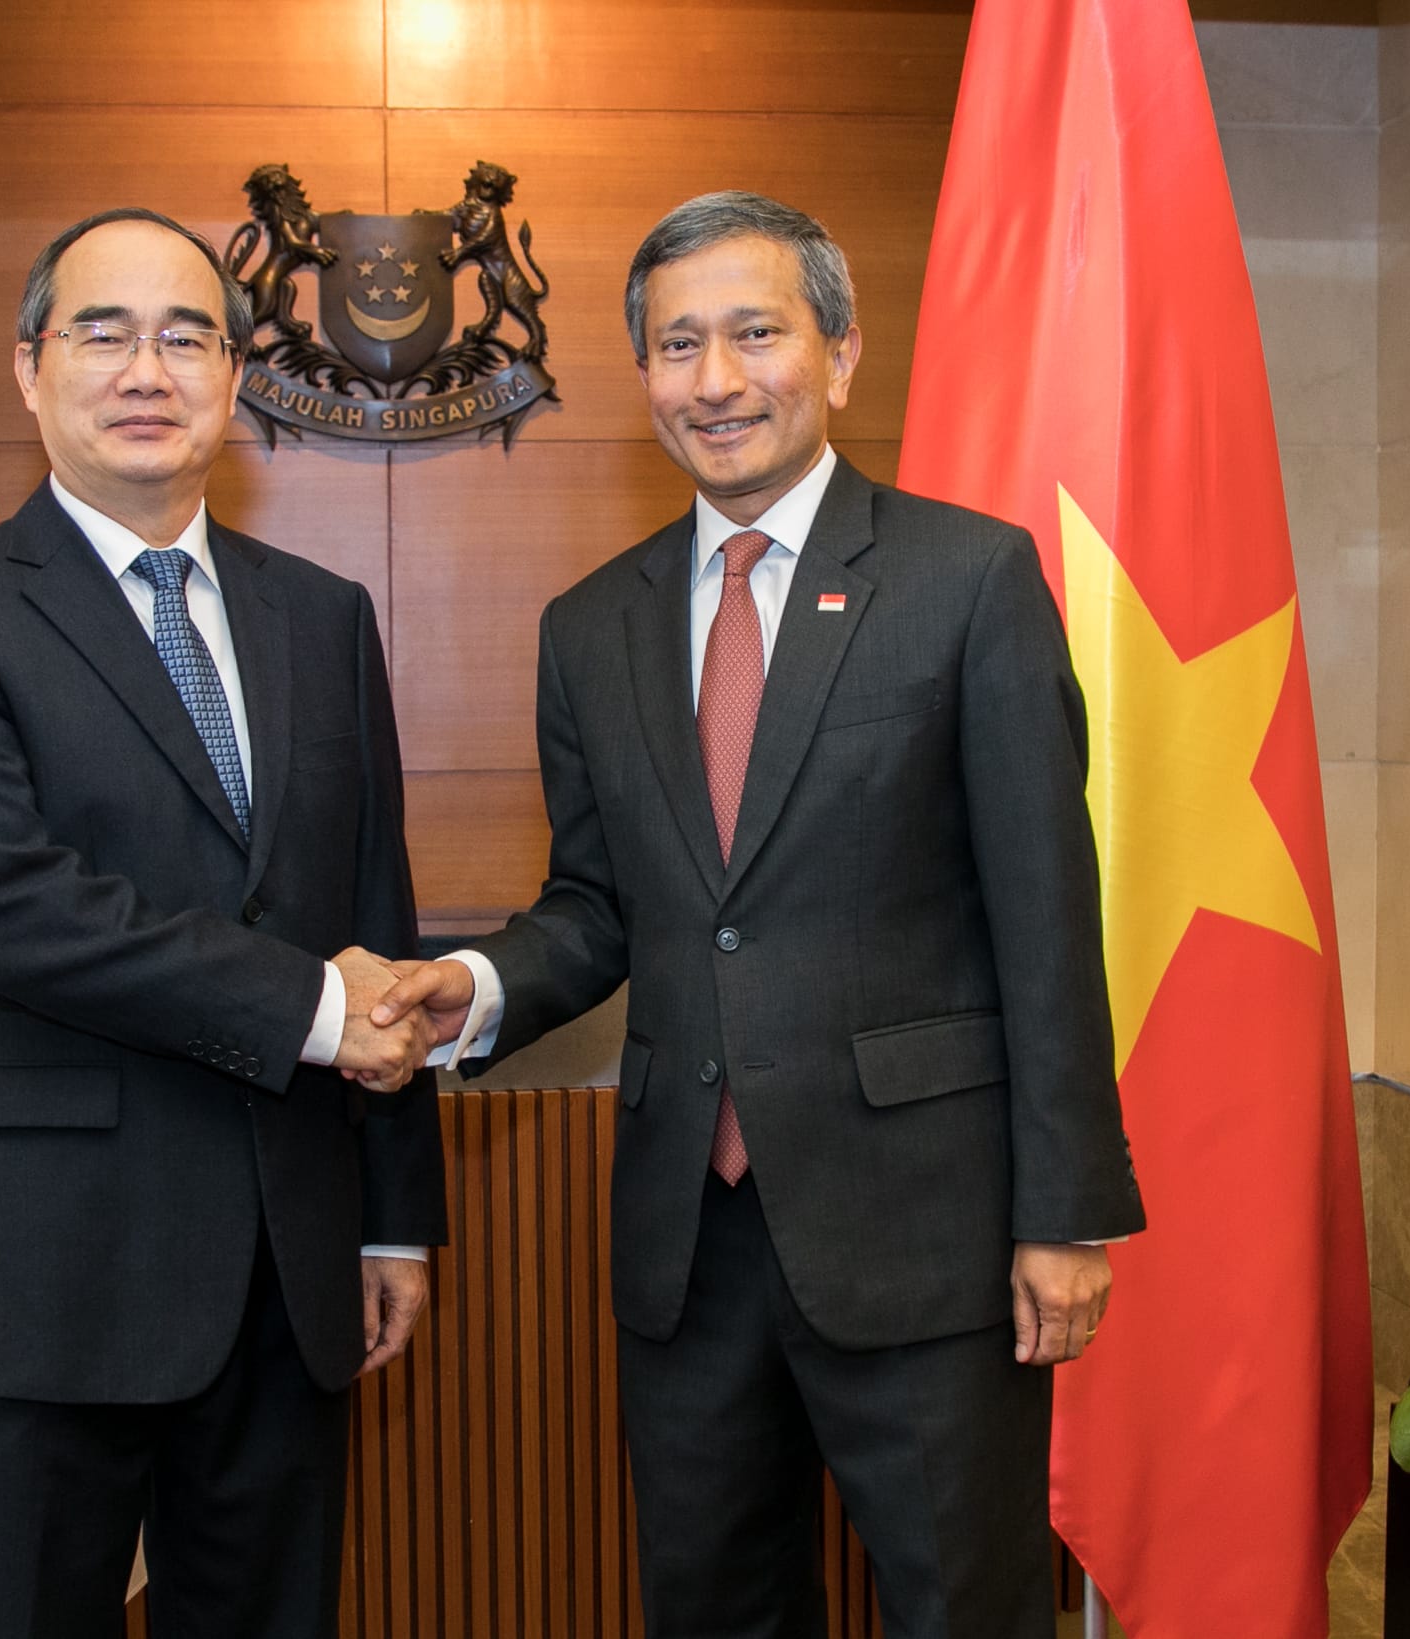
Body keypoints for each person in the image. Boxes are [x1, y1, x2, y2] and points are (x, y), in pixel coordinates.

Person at [371, 191, 1146, 1638]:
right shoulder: (587, 625)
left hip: (925, 1230)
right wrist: (469, 988)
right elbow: (599, 909)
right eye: (676, 345)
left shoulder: (966, 581)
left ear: (838, 356)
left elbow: (1045, 915)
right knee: (712, 1608)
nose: (713, 381)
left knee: (960, 1606)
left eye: (752, 334)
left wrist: (1064, 1213)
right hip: (688, 1239)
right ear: (644, 376)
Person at [0, 207, 448, 1639]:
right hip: (39, 1271)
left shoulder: (319, 615)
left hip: (284, 1268)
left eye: (187, 335)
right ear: (27, 369)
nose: (146, 368)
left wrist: (392, 1222)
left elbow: (374, 906)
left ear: (233, 378)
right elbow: (16, 913)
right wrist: (313, 1009)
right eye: (102, 332)